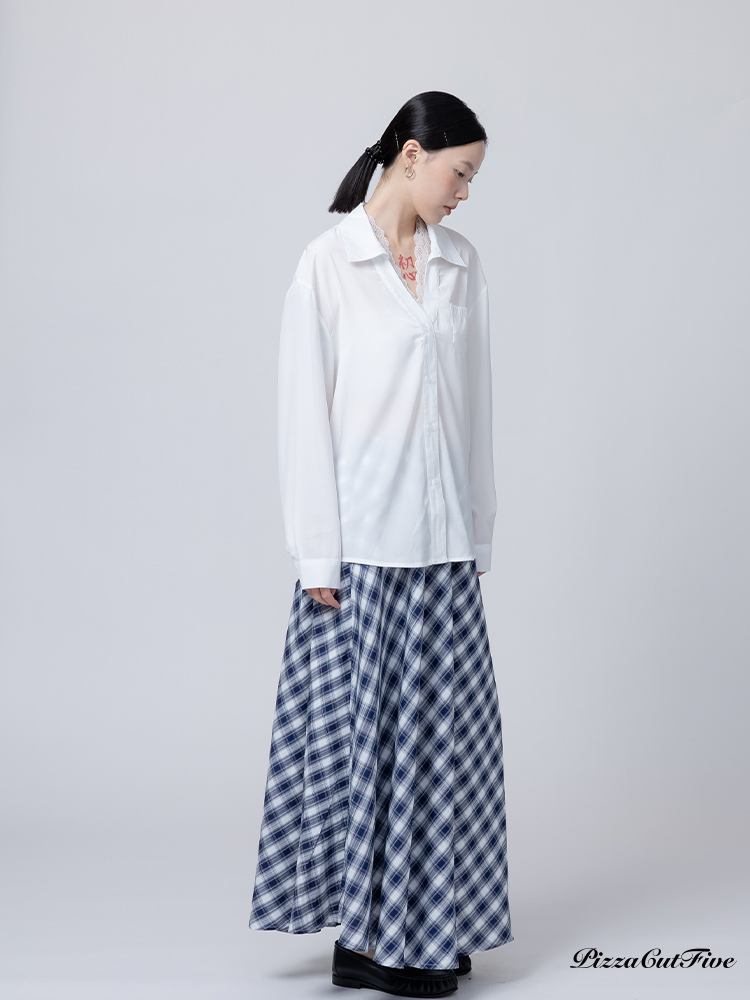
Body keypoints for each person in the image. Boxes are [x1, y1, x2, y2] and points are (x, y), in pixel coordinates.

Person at [248, 91, 513, 998]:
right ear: (411, 155)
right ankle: (368, 942)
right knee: (364, 755)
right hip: (362, 553)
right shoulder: (327, 265)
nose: (464, 193)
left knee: (442, 752)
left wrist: (478, 524)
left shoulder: (461, 265)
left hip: (443, 552)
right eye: (459, 173)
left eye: (472, 179)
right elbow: (302, 416)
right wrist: (315, 554)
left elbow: (476, 404)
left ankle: (424, 929)